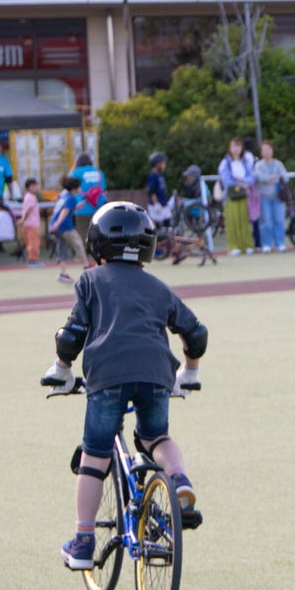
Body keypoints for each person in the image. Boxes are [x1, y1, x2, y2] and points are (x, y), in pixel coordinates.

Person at [42, 202, 207, 569]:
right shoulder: (159, 287)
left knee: (95, 456)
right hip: (156, 374)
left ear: (97, 244)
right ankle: (178, 478)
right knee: (155, 437)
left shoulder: (90, 281)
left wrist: (62, 370)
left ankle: (83, 542)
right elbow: (196, 333)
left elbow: (71, 335)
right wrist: (189, 373)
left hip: (107, 376)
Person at [218, 137, 255, 255]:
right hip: (231, 195)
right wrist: (240, 183)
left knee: (244, 220)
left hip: (244, 194)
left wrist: (243, 181)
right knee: (232, 221)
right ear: (229, 148)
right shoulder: (225, 162)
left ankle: (247, 245)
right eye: (233, 146)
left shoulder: (245, 162)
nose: (236, 149)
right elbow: (226, 179)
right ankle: (233, 246)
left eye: (238, 146)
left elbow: (252, 177)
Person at [49, 175, 88, 283]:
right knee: (79, 244)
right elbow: (64, 211)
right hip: (65, 227)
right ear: (74, 188)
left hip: (56, 226)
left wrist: (76, 207)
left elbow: (65, 208)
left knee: (62, 249)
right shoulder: (71, 198)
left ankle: (63, 273)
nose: (80, 189)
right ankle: (86, 266)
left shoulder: (64, 195)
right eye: (79, 187)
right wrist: (58, 224)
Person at [253, 140, 289, 252]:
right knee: (266, 221)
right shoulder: (259, 165)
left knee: (279, 220)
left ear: (272, 151)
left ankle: (280, 243)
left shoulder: (278, 164)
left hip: (278, 196)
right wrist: (272, 177)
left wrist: (271, 179)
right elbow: (259, 177)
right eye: (264, 150)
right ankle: (266, 243)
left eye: (268, 149)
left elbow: (285, 177)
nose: (267, 152)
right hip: (264, 196)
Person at [144, 152, 173, 235]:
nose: (165, 165)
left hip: (163, 206)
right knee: (159, 228)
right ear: (158, 164)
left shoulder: (159, 175)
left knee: (168, 226)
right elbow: (151, 191)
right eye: (163, 163)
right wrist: (156, 203)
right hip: (157, 207)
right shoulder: (153, 176)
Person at [18, 178, 45, 266]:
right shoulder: (31, 197)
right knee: (33, 242)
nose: (37, 188)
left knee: (31, 242)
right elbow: (28, 210)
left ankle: (33, 259)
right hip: (31, 224)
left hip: (30, 224)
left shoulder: (28, 196)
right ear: (30, 187)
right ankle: (33, 260)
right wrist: (23, 219)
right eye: (35, 186)